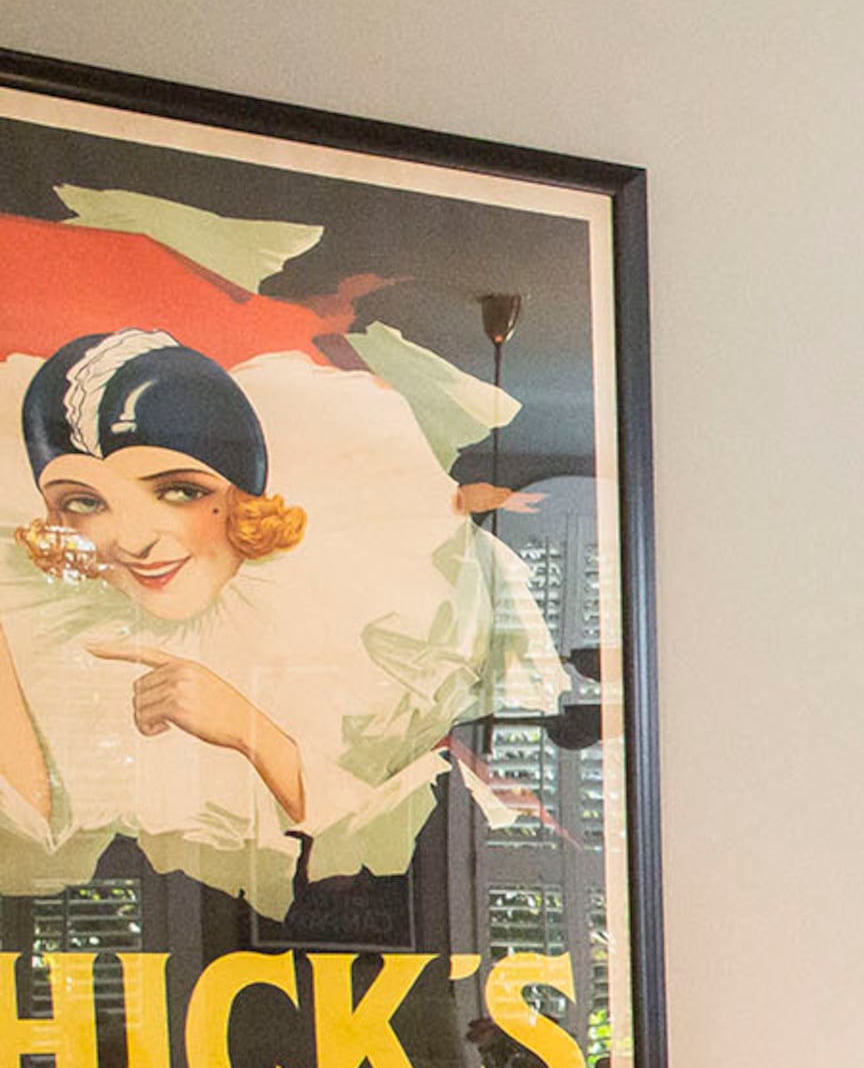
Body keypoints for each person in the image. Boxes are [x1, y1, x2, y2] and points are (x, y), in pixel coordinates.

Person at [0, 327, 567, 921]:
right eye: (84, 503)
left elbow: (373, 843)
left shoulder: (361, 606)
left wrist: (246, 728)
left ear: (242, 490)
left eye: (177, 491)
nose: (135, 541)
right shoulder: (52, 628)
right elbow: (37, 846)